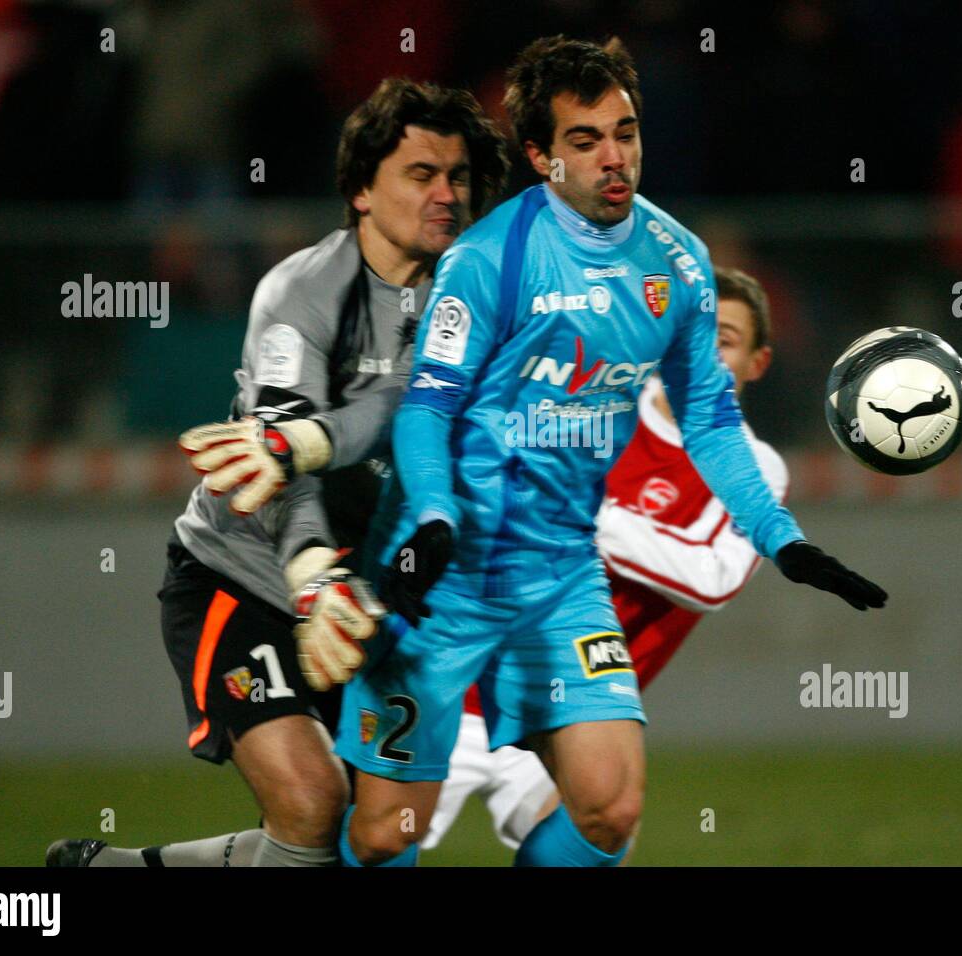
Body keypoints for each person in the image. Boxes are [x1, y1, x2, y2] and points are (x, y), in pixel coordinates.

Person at [334, 36, 886, 868]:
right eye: (584, 141)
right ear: (539, 156)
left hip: (560, 574)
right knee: (383, 834)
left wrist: (785, 540)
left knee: (609, 808)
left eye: (624, 131)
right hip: (443, 573)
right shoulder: (487, 260)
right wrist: (437, 518)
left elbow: (708, 421)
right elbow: (427, 411)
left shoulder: (679, 263)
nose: (613, 155)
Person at [46, 79, 507, 867]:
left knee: (372, 836)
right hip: (243, 581)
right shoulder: (302, 292)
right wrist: (310, 581)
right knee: (310, 800)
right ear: (362, 189)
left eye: (458, 177)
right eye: (421, 173)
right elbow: (278, 461)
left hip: (364, 604)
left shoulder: (473, 301)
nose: (445, 194)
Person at [422, 267, 789, 854]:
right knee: (362, 842)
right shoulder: (591, 407)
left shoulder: (754, 467)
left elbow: (711, 578)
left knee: (606, 827)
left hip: (572, 716)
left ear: (757, 364)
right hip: (461, 685)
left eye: (722, 340)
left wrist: (589, 515)